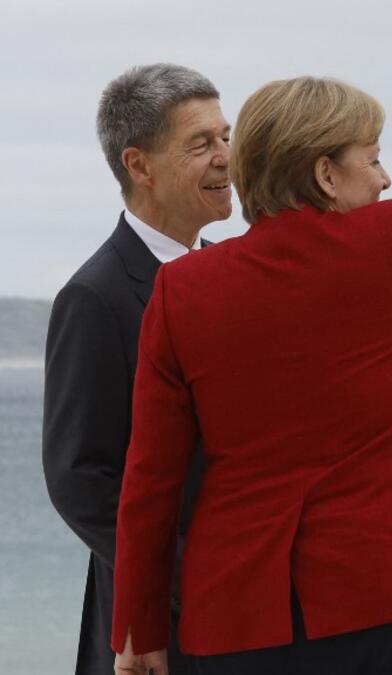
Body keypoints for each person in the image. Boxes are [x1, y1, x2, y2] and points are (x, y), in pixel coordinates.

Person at [110, 76, 392, 675]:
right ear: (326, 175)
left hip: (244, 616)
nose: (386, 179)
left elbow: (151, 477)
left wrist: (139, 627)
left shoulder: (179, 289)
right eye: (373, 159)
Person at [42, 63, 230, 675]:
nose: (226, 157)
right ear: (139, 165)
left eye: (226, 137)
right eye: (201, 143)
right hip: (159, 624)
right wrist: (188, 575)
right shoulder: (94, 296)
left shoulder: (230, 274)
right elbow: (79, 478)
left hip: (245, 606)